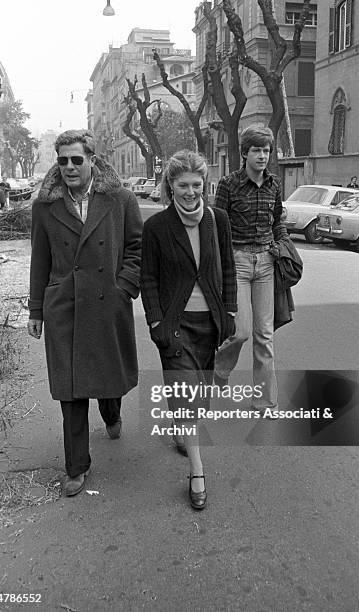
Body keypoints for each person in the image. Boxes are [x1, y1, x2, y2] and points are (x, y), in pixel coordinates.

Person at [28, 129, 143, 497]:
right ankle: (77, 466)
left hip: (107, 301)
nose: (69, 167)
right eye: (62, 160)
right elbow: (39, 260)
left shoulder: (120, 199)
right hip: (64, 305)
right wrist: (36, 309)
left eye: (77, 159)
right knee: (71, 389)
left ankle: (112, 412)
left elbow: (137, 249)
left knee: (107, 378)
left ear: (92, 159)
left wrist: (123, 286)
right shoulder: (45, 206)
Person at [141, 150, 237, 510]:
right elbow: (148, 279)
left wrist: (229, 312)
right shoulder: (156, 227)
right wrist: (155, 321)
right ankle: (197, 470)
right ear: (171, 185)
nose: (190, 192)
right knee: (186, 398)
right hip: (175, 327)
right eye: (183, 185)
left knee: (198, 399)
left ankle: (182, 430)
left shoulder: (218, 220)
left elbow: (227, 267)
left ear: (204, 185)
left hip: (209, 325)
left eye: (197, 184)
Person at [213, 125, 288, 414]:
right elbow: (217, 226)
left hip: (266, 263)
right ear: (245, 153)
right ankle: (220, 368)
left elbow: (277, 220)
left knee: (264, 336)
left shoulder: (274, 184)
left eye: (266, 150)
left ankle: (264, 401)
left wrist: (281, 244)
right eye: (256, 150)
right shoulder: (228, 184)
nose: (262, 156)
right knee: (241, 332)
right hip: (238, 262)